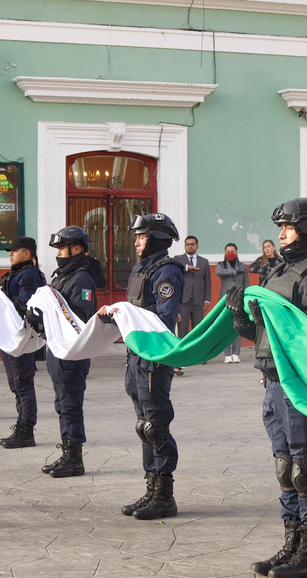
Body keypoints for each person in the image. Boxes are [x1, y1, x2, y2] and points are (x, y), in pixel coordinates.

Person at [228, 198, 307, 578]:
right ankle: (291, 543)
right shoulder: (278, 270)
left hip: (304, 386)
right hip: (273, 385)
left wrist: (273, 316)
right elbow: (261, 334)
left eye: (289, 227)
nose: (281, 235)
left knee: (305, 470)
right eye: (280, 228)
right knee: (285, 468)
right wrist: (241, 317)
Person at [101, 213, 184, 520]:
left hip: (154, 356)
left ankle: (164, 494)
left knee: (156, 424)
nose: (136, 241)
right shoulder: (141, 269)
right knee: (143, 425)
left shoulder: (167, 272)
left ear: (158, 239)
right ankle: (151, 487)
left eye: (142, 236)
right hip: (136, 355)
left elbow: (163, 317)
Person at [34, 226, 103, 478]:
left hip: (73, 353)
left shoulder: (81, 278)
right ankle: (67, 452)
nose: (59, 253)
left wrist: (46, 321)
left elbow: (79, 318)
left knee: (71, 404)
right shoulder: (62, 276)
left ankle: (74, 458)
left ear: (77, 249)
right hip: (57, 351)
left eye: (63, 248)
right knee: (62, 404)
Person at [0, 237, 47, 449]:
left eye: (14, 251)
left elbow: (27, 304)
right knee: (18, 384)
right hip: (13, 336)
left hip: (20, 337)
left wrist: (1, 302)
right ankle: (22, 426)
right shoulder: (18, 273)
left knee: (22, 384)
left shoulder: (29, 275)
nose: (10, 254)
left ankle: (26, 431)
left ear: (27, 253)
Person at [172, 234, 211, 375]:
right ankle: (182, 357)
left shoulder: (204, 262)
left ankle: (200, 355)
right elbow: (173, 267)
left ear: (197, 246)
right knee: (182, 330)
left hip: (198, 301)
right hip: (183, 301)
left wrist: (207, 299)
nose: (190, 246)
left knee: (199, 329)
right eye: (187, 244)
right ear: (184, 246)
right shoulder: (178, 260)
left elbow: (208, 282)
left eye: (192, 244)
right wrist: (187, 268)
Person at [215, 243, 249, 363]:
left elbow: (246, 283)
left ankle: (236, 353)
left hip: (239, 298)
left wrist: (246, 297)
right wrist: (234, 271)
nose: (230, 253)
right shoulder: (221, 265)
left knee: (238, 326)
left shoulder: (242, 266)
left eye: (232, 251)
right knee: (226, 326)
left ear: (236, 252)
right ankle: (227, 354)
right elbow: (219, 272)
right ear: (225, 253)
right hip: (225, 298)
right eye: (228, 251)